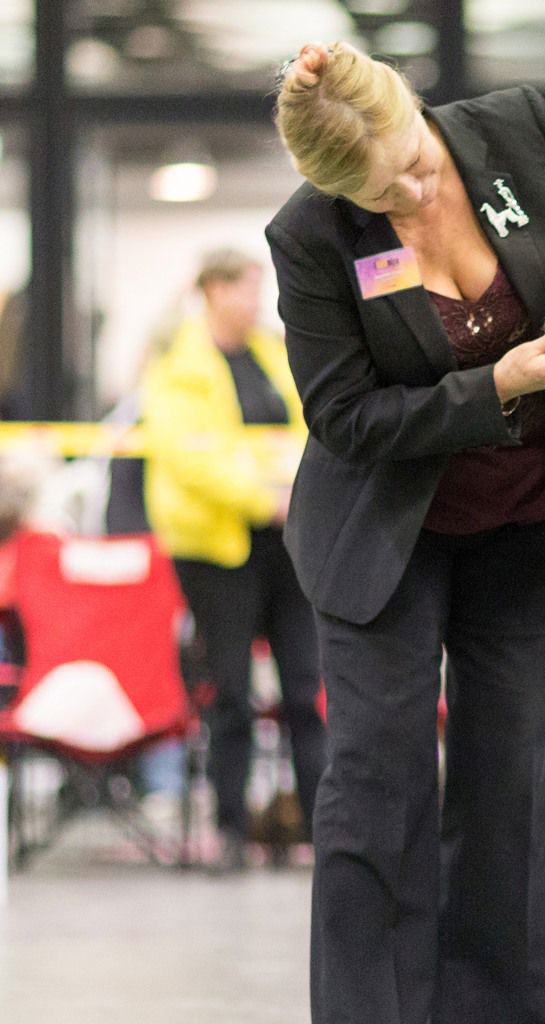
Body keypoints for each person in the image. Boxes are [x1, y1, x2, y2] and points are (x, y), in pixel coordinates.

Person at [266, 41, 545, 1024]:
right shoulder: (310, 237)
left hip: (522, 527)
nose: (414, 193)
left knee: (509, 799)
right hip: (383, 543)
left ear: (416, 108)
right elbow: (347, 419)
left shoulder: (519, 129)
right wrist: (501, 384)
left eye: (416, 161)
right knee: (379, 797)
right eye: (384, 195)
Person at [141, 248, 321, 873]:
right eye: (245, 288)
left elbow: (310, 425)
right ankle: (229, 827)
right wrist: (260, 498)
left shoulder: (274, 355)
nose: (255, 300)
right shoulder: (180, 366)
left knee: (305, 688)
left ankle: (318, 827)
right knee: (233, 694)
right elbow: (191, 455)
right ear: (213, 291)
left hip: (288, 544)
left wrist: (294, 495)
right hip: (218, 551)